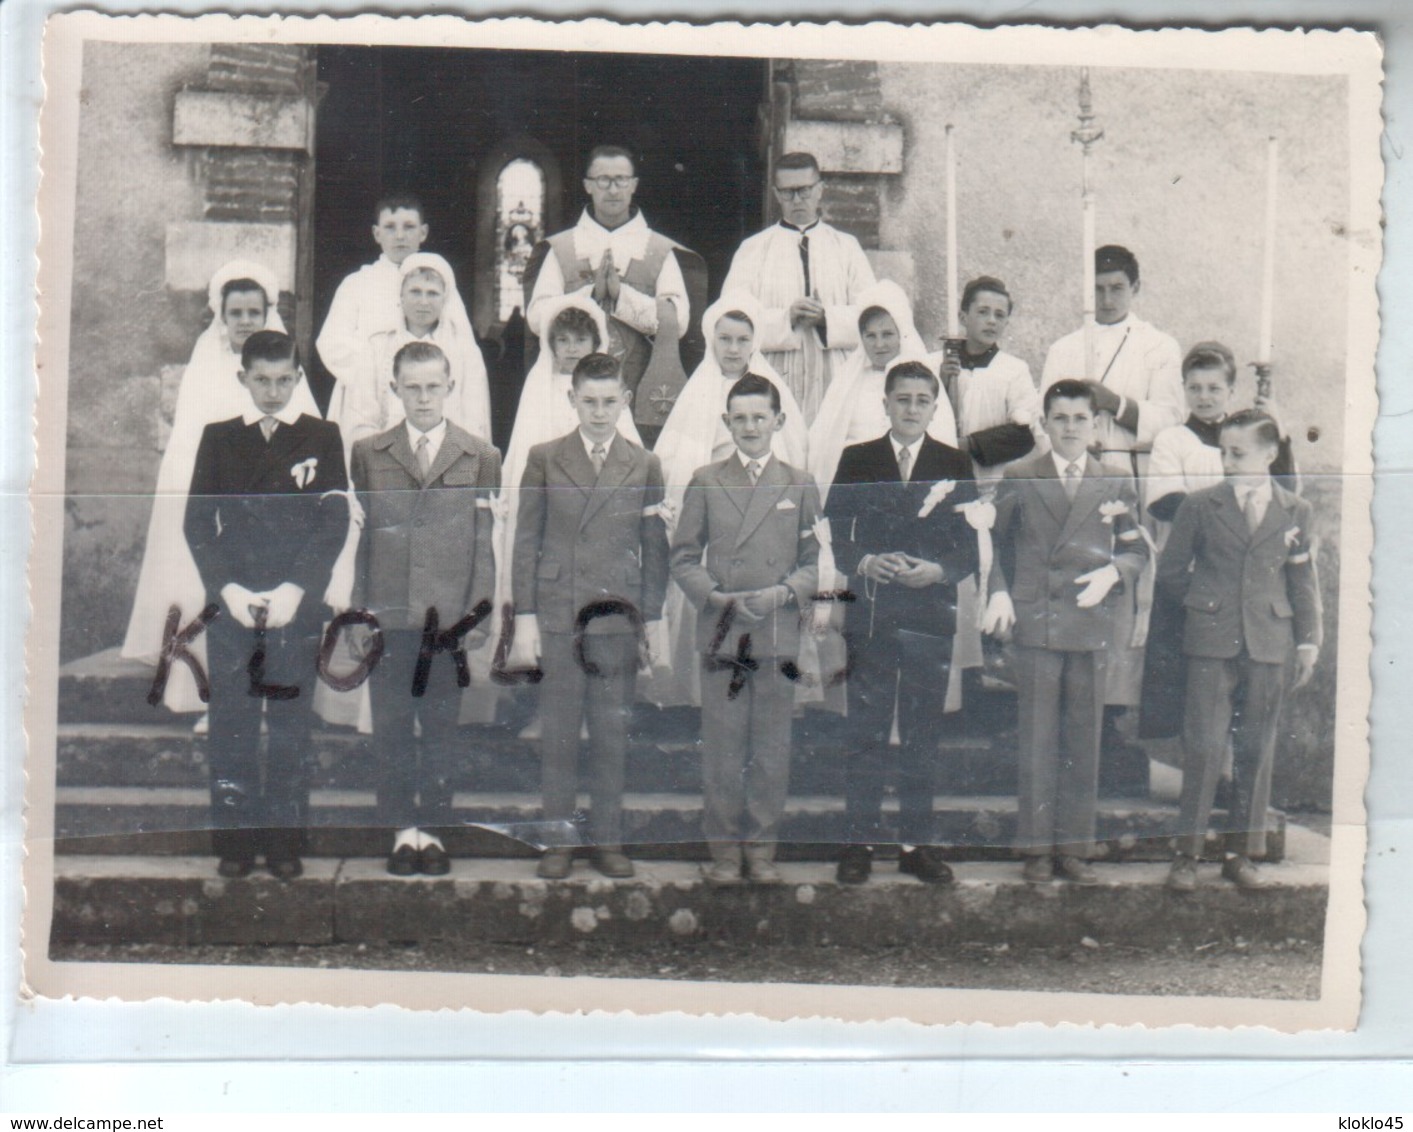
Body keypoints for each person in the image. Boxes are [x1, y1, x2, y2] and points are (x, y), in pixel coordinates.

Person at [183, 330, 348, 880]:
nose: (273, 391)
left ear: (298, 379)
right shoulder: (220, 438)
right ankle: (235, 842)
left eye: (283, 380)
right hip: (234, 603)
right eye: (262, 380)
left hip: (291, 604)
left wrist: (297, 588)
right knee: (232, 720)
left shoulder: (322, 436)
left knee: (288, 724)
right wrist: (226, 590)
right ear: (243, 379)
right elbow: (197, 522)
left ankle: (283, 841)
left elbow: (333, 521)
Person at [122, 261, 319, 714]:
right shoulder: (207, 364)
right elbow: (189, 440)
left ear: (268, 313)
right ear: (222, 316)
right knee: (210, 590)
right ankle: (209, 699)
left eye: (255, 311)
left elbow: (303, 435)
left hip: (270, 507)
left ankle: (268, 699)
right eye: (237, 313)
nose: (246, 321)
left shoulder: (283, 365)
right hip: (217, 506)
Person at [510, 353, 670, 880]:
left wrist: (652, 618)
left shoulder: (643, 463)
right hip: (560, 613)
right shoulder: (545, 458)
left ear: (625, 401)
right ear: (571, 400)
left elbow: (653, 546)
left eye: (609, 401)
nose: (599, 412)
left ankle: (608, 840)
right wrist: (527, 615)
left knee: (609, 731)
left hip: (615, 617)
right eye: (589, 401)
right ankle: (557, 841)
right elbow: (527, 540)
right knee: (558, 732)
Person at [982, 379, 1149, 885]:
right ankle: (1035, 848)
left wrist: (1115, 572)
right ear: (1045, 424)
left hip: (1089, 619)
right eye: (1061, 418)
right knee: (1037, 738)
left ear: (1095, 425)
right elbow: (994, 545)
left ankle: (1075, 847)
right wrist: (999, 592)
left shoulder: (1116, 479)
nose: (1071, 428)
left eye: (1081, 419)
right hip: (1037, 621)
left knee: (1083, 737)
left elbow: (1137, 548)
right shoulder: (1020, 474)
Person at [825, 361, 979, 885]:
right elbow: (836, 537)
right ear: (885, 403)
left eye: (922, 400)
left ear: (936, 407)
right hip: (872, 612)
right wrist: (865, 562)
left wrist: (939, 571)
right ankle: (858, 842)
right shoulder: (857, 458)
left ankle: (916, 845)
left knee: (921, 732)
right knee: (865, 729)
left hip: (929, 616)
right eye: (903, 399)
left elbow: (969, 549)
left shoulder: (954, 462)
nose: (912, 408)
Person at [350, 341, 500, 878]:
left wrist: (476, 618)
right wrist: (357, 613)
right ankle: (400, 831)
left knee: (440, 728)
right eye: (411, 387)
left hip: (448, 621)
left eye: (433, 386)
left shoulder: (479, 454)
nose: (422, 398)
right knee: (391, 727)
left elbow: (484, 543)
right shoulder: (369, 452)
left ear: (450, 388)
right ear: (394, 390)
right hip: (389, 617)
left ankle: (433, 830)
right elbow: (364, 541)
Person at [1040, 244, 1184, 793]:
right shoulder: (1065, 346)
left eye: (1116, 288)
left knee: (1120, 596)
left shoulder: (1158, 347)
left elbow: (1170, 419)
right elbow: (1044, 415)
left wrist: (1116, 404)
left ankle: (1109, 720)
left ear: (1135, 288)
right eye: (1097, 289)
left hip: (1124, 476)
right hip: (1073, 481)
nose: (1105, 299)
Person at [1158, 410, 1321, 892]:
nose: (1227, 462)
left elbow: (1301, 580)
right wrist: (1206, 604)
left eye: (1238, 453)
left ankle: (1239, 853)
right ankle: (1185, 855)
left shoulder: (1296, 510)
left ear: (1269, 455)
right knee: (1205, 747)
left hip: (1270, 641)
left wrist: (1308, 641)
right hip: (1212, 642)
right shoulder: (1200, 505)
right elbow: (1170, 573)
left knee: (1255, 747)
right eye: (1223, 452)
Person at [670, 374, 821, 886]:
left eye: (760, 417)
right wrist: (715, 596)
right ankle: (725, 855)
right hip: (723, 630)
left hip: (777, 631)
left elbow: (814, 561)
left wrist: (783, 593)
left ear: (778, 421)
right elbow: (684, 557)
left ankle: (760, 851)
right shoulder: (706, 480)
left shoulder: (800, 484)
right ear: (726, 423)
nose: (751, 426)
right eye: (741, 418)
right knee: (723, 746)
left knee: (771, 746)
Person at [651, 293, 807, 707]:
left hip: (763, 508)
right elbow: (676, 459)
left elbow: (791, 457)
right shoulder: (698, 393)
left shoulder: (770, 391)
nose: (733, 349)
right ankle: (698, 696)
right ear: (711, 341)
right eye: (725, 339)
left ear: (754, 342)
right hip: (715, 510)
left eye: (742, 339)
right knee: (709, 597)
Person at [1139, 342, 1299, 740]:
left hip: (1244, 579)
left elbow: (1284, 494)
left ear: (1230, 390)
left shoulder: (1253, 440)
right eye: (1195, 388)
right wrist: (1227, 528)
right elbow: (1165, 503)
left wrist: (1279, 433)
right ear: (1184, 390)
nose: (1204, 397)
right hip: (1193, 574)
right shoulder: (1173, 440)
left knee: (1241, 675)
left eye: (1214, 388)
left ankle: (1228, 770)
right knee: (1192, 681)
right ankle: (1192, 768)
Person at [524, 145, 704, 406]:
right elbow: (537, 317)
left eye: (621, 180)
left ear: (633, 185)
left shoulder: (659, 249)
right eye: (603, 180)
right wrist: (590, 295)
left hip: (638, 387)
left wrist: (621, 297)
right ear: (588, 185)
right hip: (571, 392)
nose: (612, 189)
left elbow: (678, 321)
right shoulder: (562, 248)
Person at [722, 152, 877, 424]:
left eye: (804, 191)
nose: (797, 200)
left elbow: (872, 317)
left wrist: (827, 318)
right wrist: (786, 318)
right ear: (776, 194)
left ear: (819, 190)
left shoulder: (846, 247)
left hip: (835, 378)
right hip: (774, 376)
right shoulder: (753, 249)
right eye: (788, 192)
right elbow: (731, 321)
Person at [808, 279, 957, 504]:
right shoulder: (846, 381)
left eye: (887, 334)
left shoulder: (921, 379)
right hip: (858, 487)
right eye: (870, 335)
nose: (879, 344)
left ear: (902, 333)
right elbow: (824, 444)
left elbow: (939, 441)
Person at [342, 252, 491, 451]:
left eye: (432, 293)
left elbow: (474, 420)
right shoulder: (376, 346)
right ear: (401, 296)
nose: (423, 301)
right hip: (387, 459)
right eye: (415, 291)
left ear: (445, 298)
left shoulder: (465, 352)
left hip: (448, 459)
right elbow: (361, 415)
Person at [317, 194, 434, 429]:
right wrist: (375, 374)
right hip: (364, 397)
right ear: (376, 233)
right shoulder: (357, 283)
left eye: (409, 227)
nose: (400, 236)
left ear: (423, 233)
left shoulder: (437, 285)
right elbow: (331, 342)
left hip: (423, 393)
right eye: (390, 227)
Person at [935, 275, 1043, 493]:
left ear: (1006, 323)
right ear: (963, 317)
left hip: (993, 484)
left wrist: (971, 444)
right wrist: (942, 384)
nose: (992, 320)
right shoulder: (934, 363)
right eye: (983, 312)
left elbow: (1025, 433)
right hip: (942, 482)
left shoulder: (1014, 370)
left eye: (999, 315)